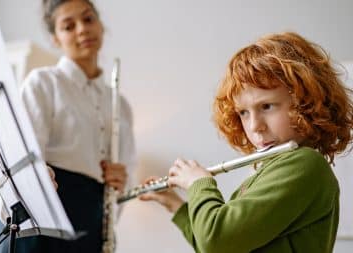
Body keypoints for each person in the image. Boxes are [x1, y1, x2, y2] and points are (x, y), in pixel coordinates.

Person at [140, 32, 353, 253]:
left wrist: (199, 184)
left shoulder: (304, 164)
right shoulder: (274, 167)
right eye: (243, 112)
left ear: (306, 102)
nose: (254, 126)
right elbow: (217, 243)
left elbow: (217, 241)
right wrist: (175, 205)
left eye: (267, 106)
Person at [0, 0, 136, 252]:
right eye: (68, 26)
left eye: (88, 19)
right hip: (39, 223)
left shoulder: (120, 104)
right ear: (55, 38)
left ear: (100, 25)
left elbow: (126, 175)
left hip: (90, 227)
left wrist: (122, 182)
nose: (82, 29)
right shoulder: (43, 83)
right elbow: (17, 163)